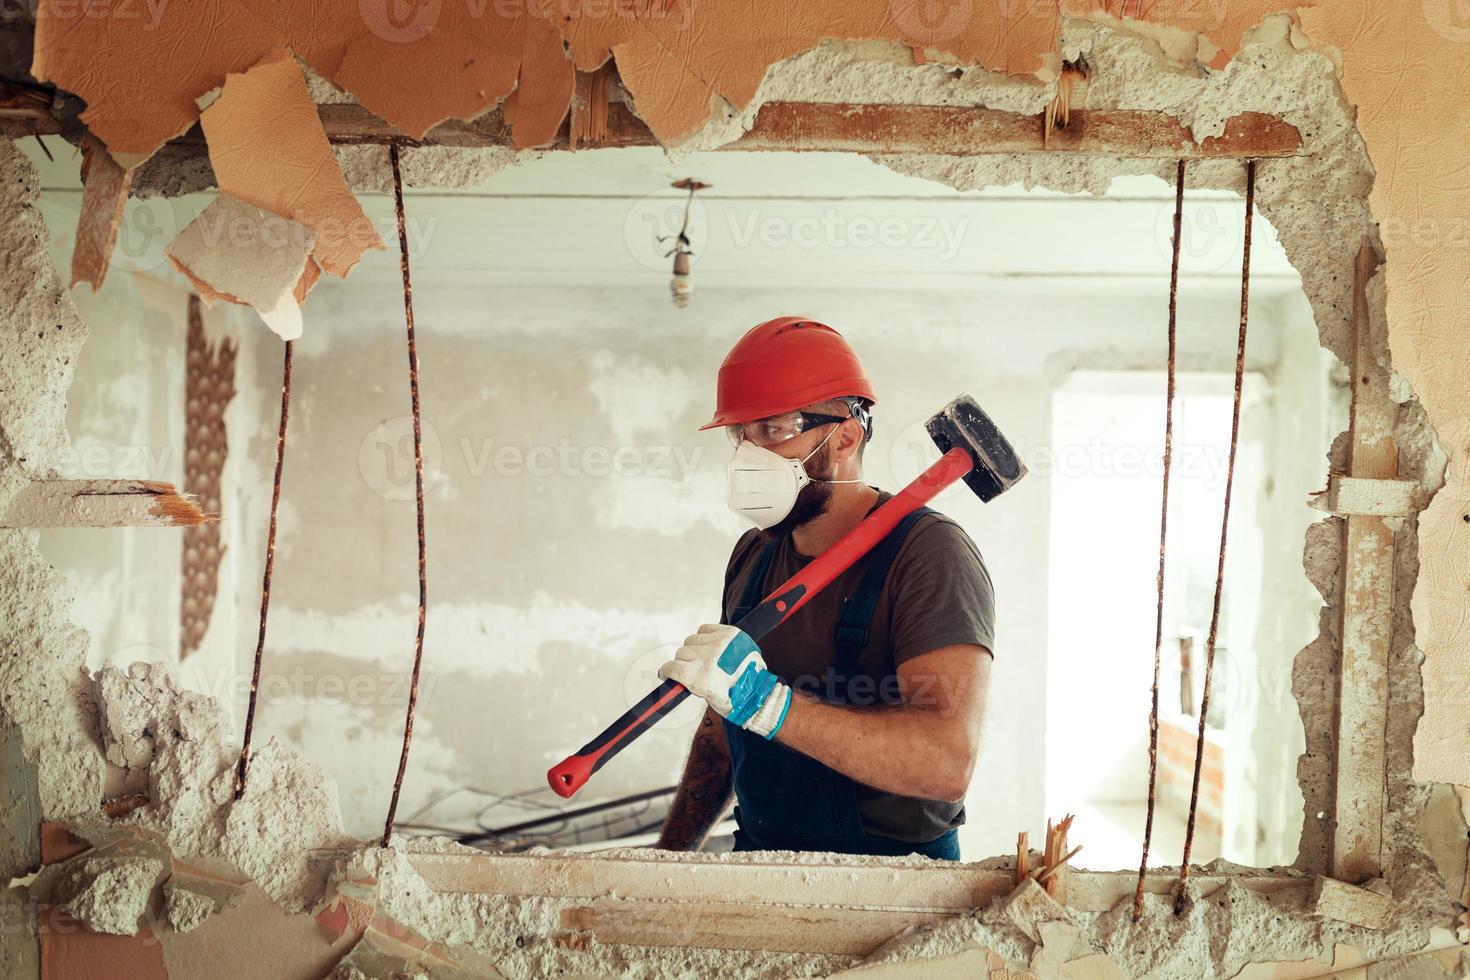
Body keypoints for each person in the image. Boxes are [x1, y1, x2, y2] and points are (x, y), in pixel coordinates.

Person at [655, 316, 996, 860]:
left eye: (772, 431)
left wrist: (770, 707)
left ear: (844, 437)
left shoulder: (929, 554)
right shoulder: (755, 552)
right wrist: (668, 860)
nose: (749, 453)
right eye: (739, 434)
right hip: (759, 857)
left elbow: (945, 763)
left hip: (890, 880)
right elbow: (721, 731)